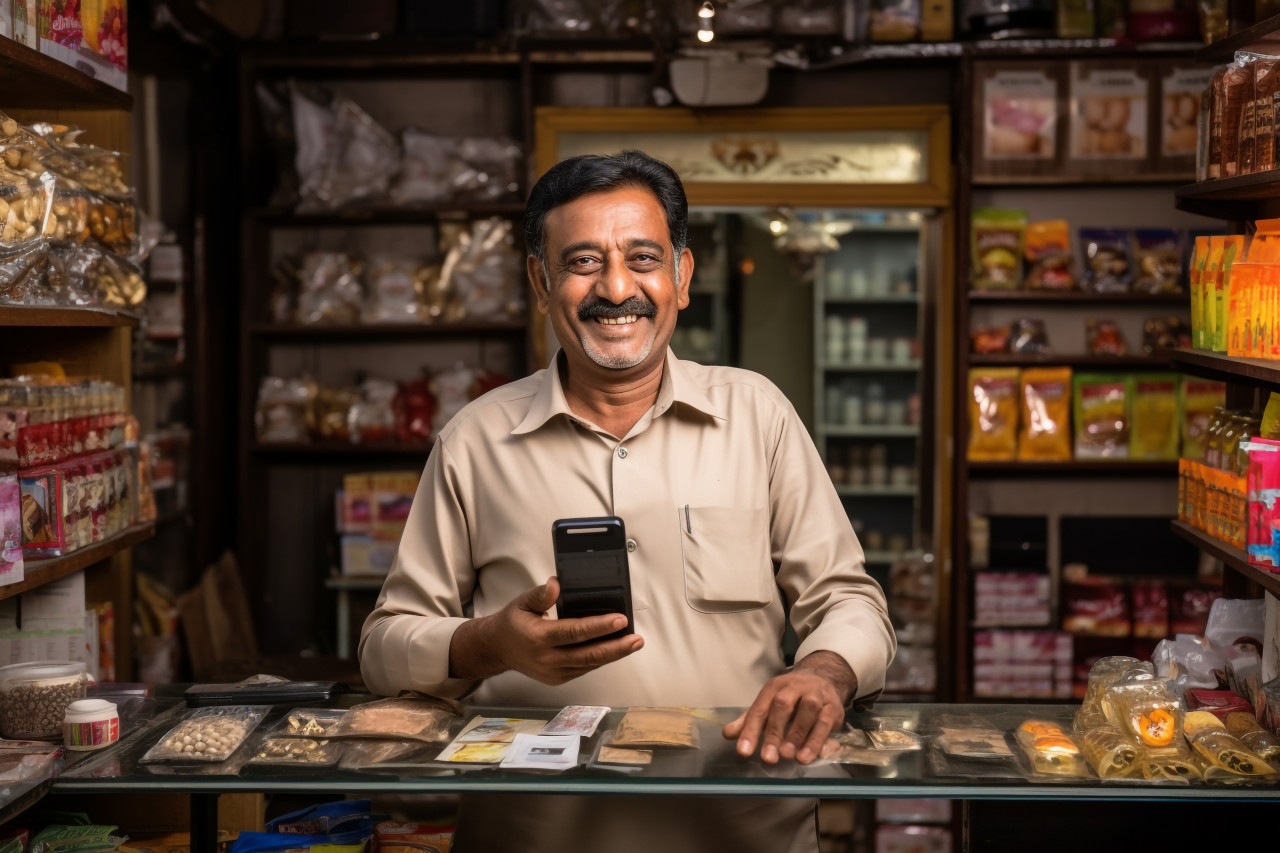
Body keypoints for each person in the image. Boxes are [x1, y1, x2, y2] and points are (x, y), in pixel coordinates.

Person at [359, 150, 895, 853]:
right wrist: (488, 643)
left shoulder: (757, 415)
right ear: (540, 280)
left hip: (739, 832)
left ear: (681, 275)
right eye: (583, 261)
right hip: (537, 835)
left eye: (643, 257)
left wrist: (824, 670)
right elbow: (383, 646)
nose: (617, 287)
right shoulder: (475, 440)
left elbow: (850, 601)